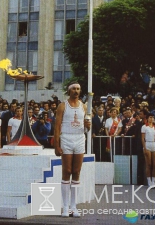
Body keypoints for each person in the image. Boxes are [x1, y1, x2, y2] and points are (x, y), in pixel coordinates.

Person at [54, 82, 91, 218]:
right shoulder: (63, 106)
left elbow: (86, 128)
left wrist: (88, 125)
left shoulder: (84, 106)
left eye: (78, 89)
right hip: (66, 139)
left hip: (79, 138)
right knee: (67, 171)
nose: (76, 91)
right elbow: (57, 126)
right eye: (74, 89)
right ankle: (65, 206)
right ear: (69, 91)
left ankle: (73, 206)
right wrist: (56, 145)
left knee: (76, 171)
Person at [141, 112, 155, 187]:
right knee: (149, 164)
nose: (151, 119)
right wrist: (144, 148)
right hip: (147, 144)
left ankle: (153, 181)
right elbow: (142, 138)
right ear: (147, 118)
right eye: (150, 117)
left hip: (154, 144)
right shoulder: (144, 127)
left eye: (152, 117)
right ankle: (149, 181)